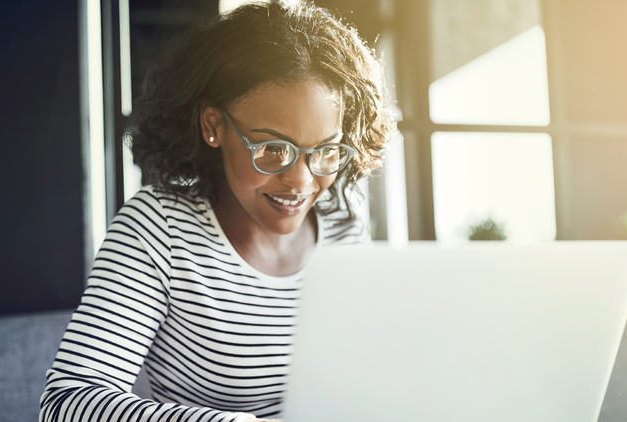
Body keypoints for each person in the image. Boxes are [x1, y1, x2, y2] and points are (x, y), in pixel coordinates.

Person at [40, 1, 394, 421]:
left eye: (325, 151)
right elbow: (68, 404)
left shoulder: (342, 219)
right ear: (214, 126)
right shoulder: (158, 229)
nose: (302, 181)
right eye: (273, 149)